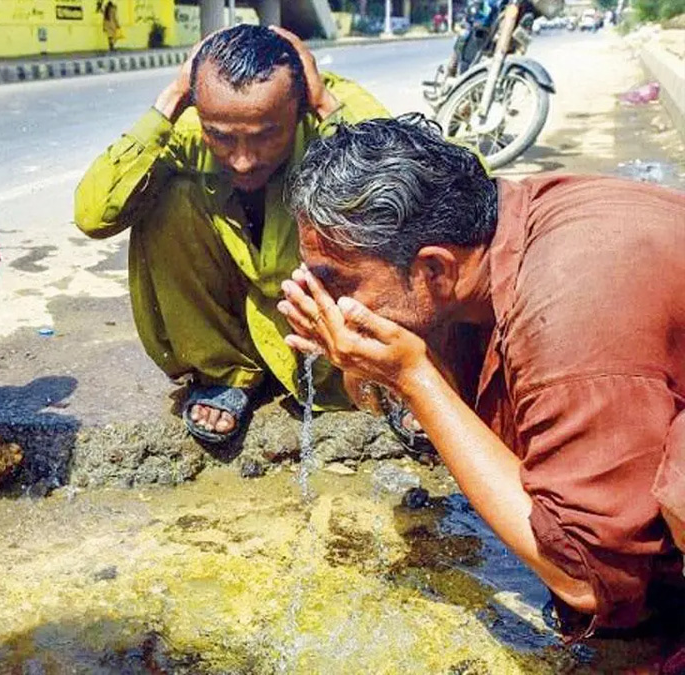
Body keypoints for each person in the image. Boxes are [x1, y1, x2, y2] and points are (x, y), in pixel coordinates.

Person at [279, 116, 685, 645]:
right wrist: (368, 366)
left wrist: (413, 379)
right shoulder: (502, 232)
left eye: (336, 282)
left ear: (433, 271)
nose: (317, 299)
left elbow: (589, 579)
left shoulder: (566, 318)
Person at [74, 24, 388, 443]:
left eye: (266, 136)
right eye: (220, 136)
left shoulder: (331, 107)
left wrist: (326, 105)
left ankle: (381, 376)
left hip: (334, 351)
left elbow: (423, 196)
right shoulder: (189, 127)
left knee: (387, 205)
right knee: (167, 195)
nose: (242, 161)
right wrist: (171, 99)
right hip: (244, 330)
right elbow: (94, 215)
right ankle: (227, 372)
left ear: (298, 108)